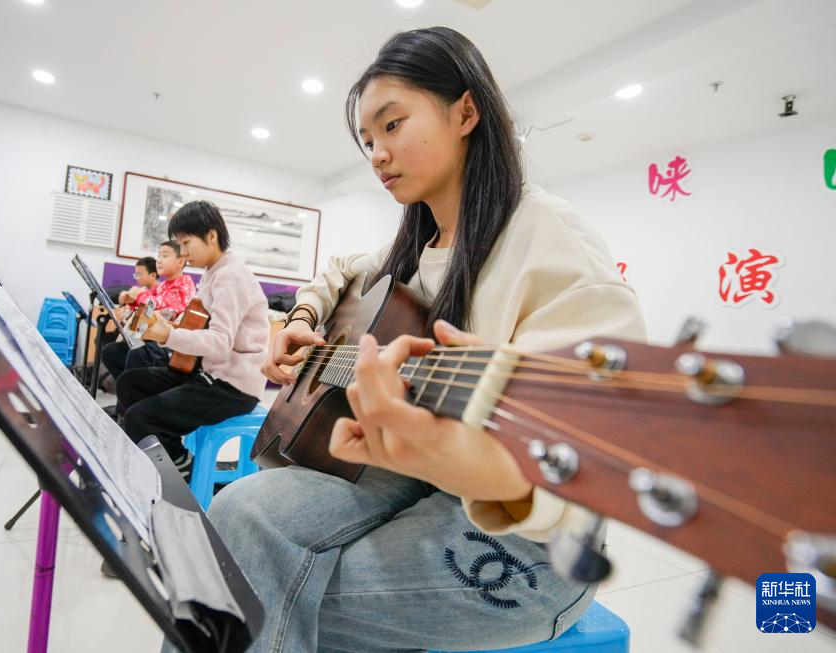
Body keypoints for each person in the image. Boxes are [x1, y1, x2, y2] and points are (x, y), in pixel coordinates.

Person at [194, 27, 646, 652]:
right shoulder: (417, 243)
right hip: (424, 478)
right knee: (234, 514)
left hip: (535, 542)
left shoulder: (548, 238)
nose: (377, 153)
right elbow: (341, 271)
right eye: (368, 140)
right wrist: (302, 317)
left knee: (251, 586)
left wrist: (452, 456)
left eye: (393, 124)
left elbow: (590, 449)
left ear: (466, 111)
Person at [115, 200, 269, 481]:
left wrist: (167, 334)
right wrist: (167, 328)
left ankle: (181, 467)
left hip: (233, 387)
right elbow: (202, 325)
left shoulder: (231, 276)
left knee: (141, 417)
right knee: (130, 382)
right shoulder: (213, 272)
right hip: (209, 373)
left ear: (211, 236)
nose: (183, 252)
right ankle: (156, 455)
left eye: (186, 243)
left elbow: (220, 342)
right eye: (179, 244)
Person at [101, 242, 195, 381]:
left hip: (167, 343)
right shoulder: (162, 285)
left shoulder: (185, 283)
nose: (159, 260)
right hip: (150, 336)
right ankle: (126, 386)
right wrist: (130, 302)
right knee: (110, 352)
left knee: (135, 353)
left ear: (180, 261)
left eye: (165, 255)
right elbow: (146, 307)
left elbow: (159, 305)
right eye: (158, 255)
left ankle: (132, 387)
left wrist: (138, 295)